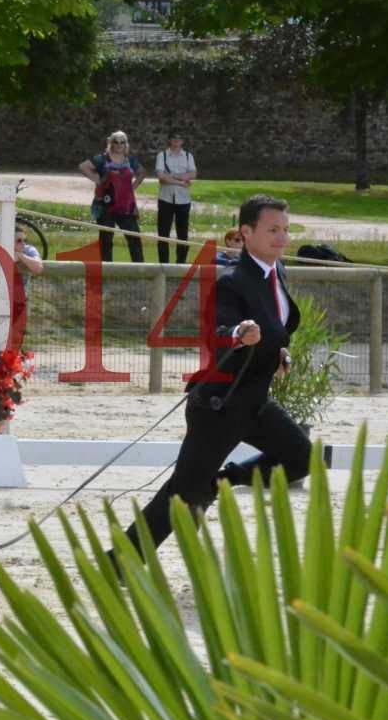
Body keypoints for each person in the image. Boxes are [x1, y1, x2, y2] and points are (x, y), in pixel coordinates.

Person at [114, 196, 310, 565]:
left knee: (300, 457)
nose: (282, 237)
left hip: (254, 403)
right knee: (182, 496)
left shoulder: (275, 272)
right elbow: (220, 330)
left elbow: (275, 327)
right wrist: (238, 332)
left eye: (285, 230)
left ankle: (221, 480)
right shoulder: (232, 282)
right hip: (219, 405)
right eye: (273, 230)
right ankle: (120, 562)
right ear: (246, 233)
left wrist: (278, 352)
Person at [78, 131, 145, 263]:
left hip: (126, 206)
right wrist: (97, 180)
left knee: (134, 238)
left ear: (126, 144)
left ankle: (140, 269)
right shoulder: (102, 159)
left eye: (122, 142)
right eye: (116, 142)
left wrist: (133, 187)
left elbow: (142, 172)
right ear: (111, 143)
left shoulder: (130, 160)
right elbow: (83, 166)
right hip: (105, 205)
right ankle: (107, 269)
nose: (119, 145)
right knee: (106, 239)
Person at [155, 131, 197, 264]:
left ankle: (180, 264)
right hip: (166, 199)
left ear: (182, 141)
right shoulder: (162, 156)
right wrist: (180, 181)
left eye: (179, 138)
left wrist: (172, 176)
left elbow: (193, 173)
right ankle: (164, 265)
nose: (176, 141)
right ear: (169, 140)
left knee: (183, 235)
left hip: (183, 200)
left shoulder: (188, 156)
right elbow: (161, 177)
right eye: (174, 138)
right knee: (163, 234)